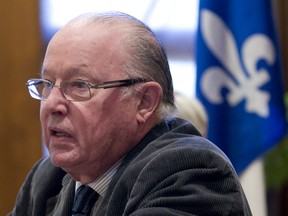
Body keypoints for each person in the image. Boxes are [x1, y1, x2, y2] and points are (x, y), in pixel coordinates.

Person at [9, 12, 252, 215]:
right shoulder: (47, 180)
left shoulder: (190, 172)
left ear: (144, 102)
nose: (52, 104)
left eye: (80, 85)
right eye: (48, 84)